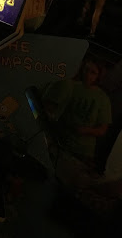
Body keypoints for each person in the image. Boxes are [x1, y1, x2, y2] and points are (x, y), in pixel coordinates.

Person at [42, 57, 111, 188]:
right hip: (61, 142)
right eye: (86, 69)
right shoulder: (72, 86)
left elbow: (102, 129)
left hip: (82, 151)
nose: (87, 74)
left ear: (98, 76)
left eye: (93, 72)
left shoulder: (103, 98)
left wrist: (85, 130)